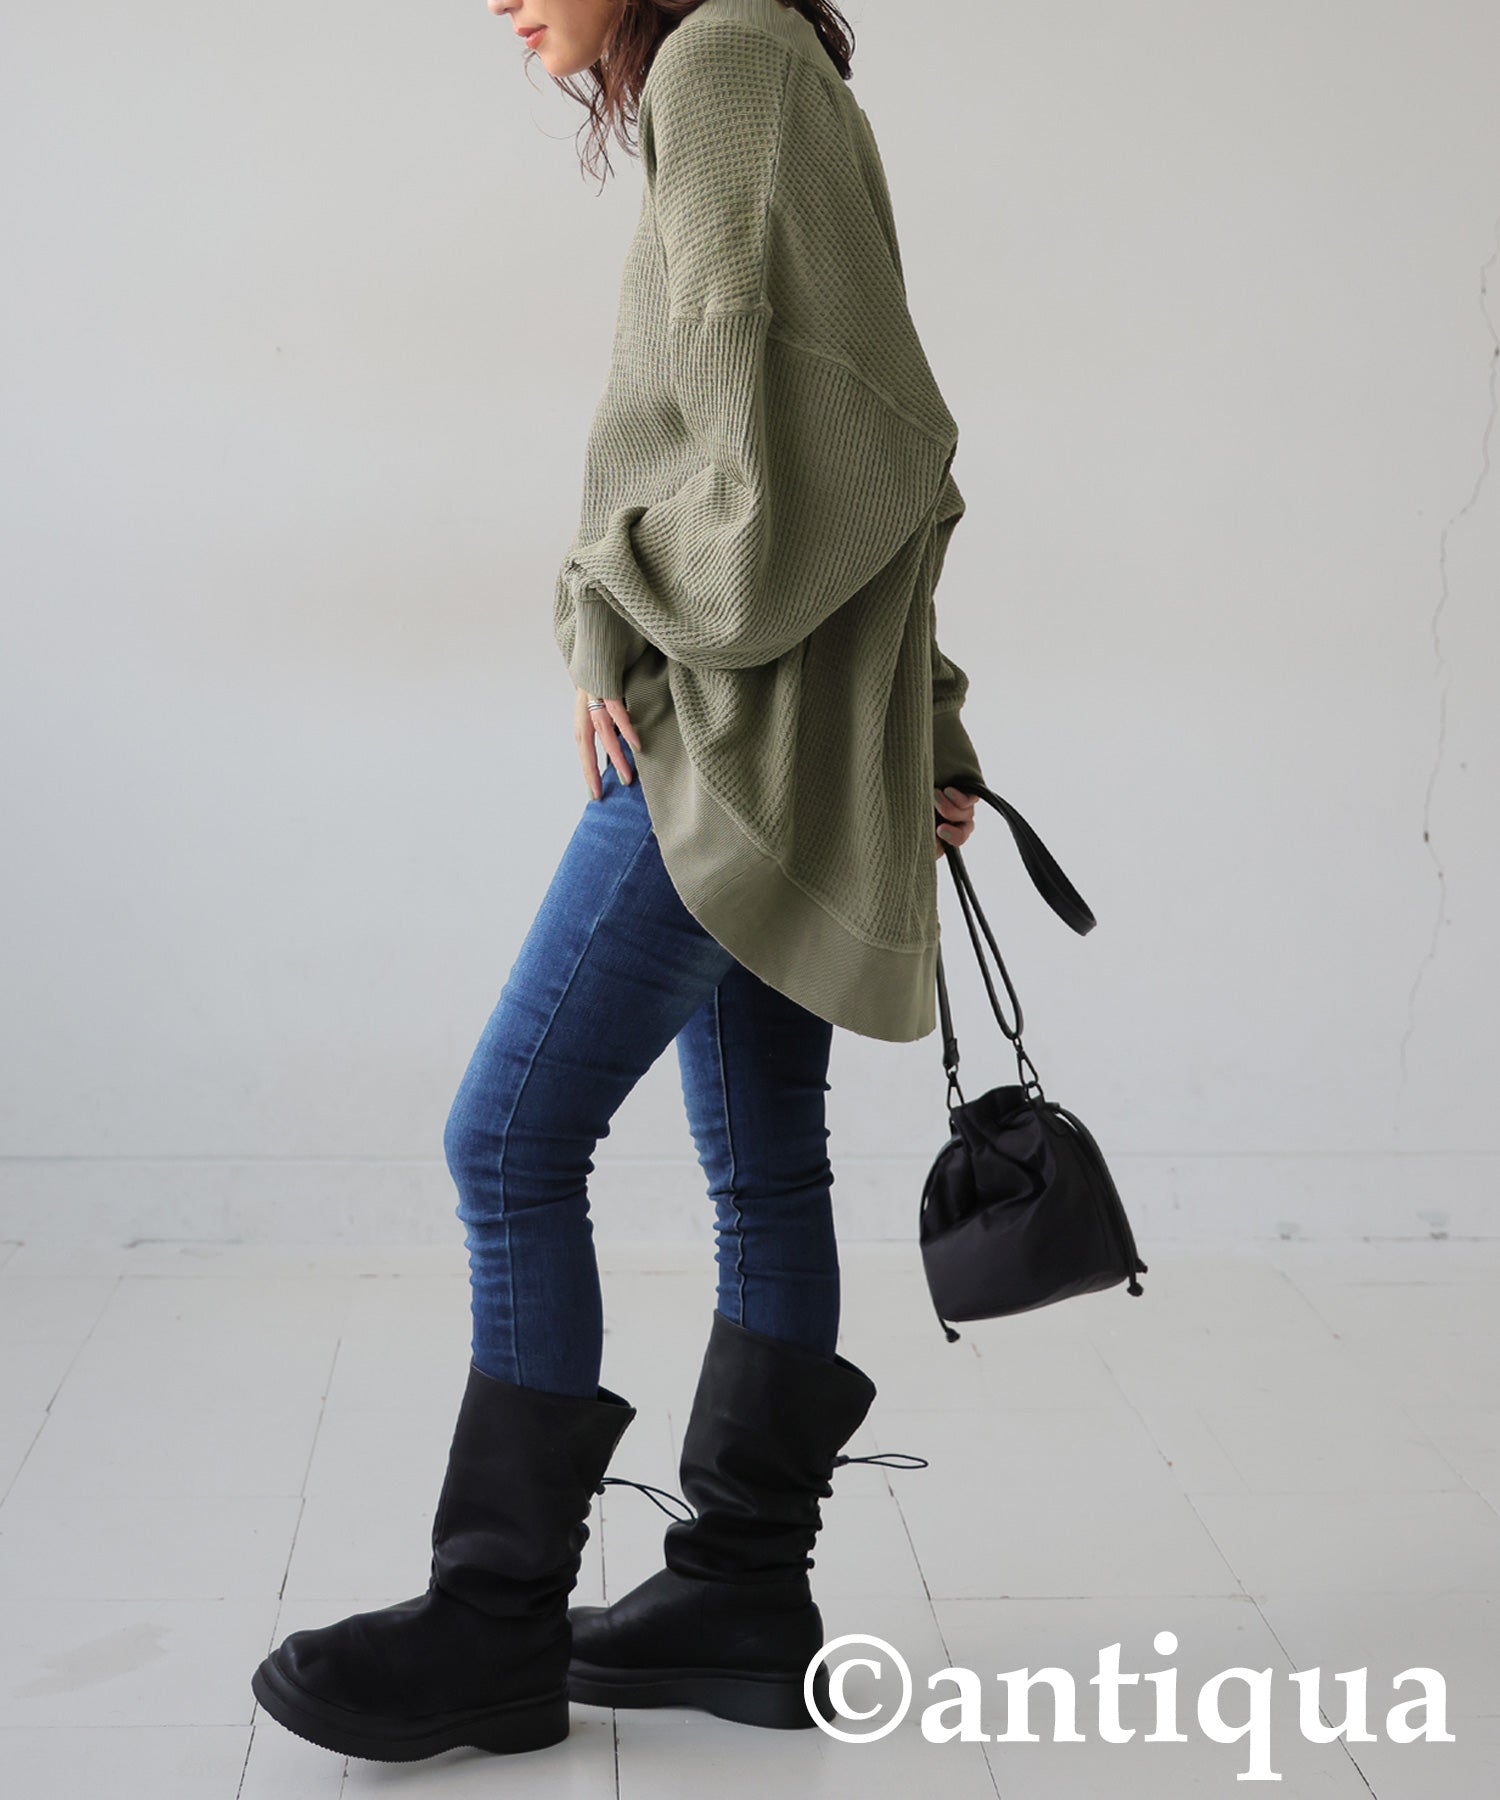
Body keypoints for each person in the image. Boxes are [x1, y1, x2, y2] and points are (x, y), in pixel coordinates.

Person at [251, 0, 985, 1762]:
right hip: (795, 737)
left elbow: (835, 452)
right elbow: (864, 430)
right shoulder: (760, 66)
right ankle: (742, 1594)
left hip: (723, 741)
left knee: (507, 1141)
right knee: (765, 1167)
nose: (500, 0)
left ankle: (495, 1618)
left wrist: (627, 612)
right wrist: (924, 723)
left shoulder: (726, 62)